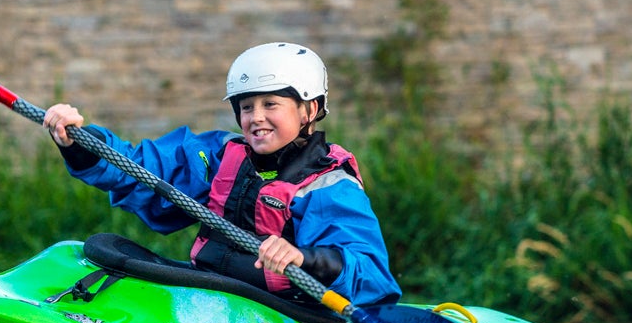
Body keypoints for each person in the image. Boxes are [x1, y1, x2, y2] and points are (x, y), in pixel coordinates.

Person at [43, 42, 401, 308]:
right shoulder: (217, 157)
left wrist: (302, 257)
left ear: (309, 110)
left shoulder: (328, 184)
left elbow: (370, 275)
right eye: (246, 107)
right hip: (215, 290)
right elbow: (140, 169)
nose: (255, 117)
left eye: (270, 104)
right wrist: (79, 141)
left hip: (290, 312)